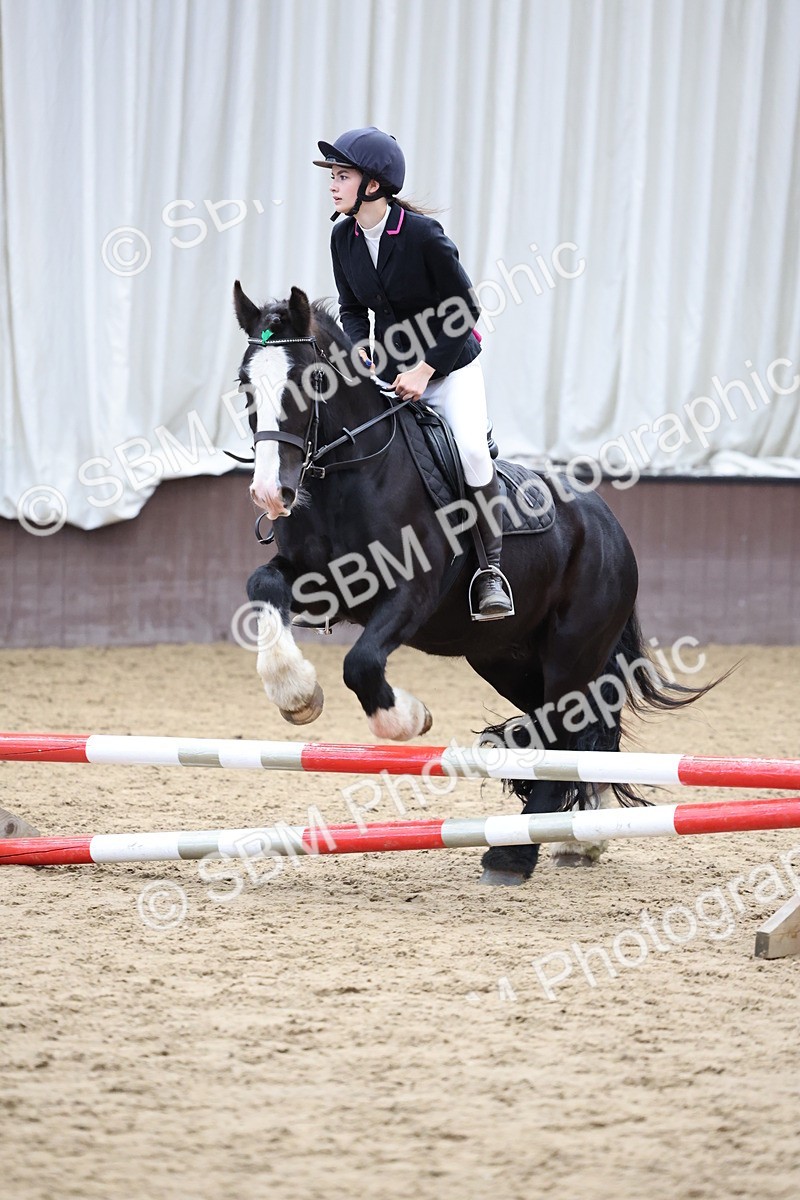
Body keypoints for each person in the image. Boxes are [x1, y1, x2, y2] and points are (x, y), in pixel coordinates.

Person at [313, 126, 514, 621]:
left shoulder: (422, 236)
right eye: (333, 177)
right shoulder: (343, 237)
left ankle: (491, 571)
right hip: (392, 368)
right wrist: (360, 349)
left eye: (342, 176)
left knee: (470, 451)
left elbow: (465, 308)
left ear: (374, 186)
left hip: (449, 367)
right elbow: (352, 307)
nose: (333, 185)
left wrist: (426, 370)